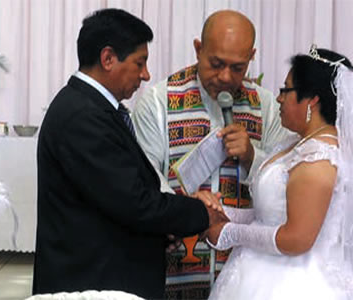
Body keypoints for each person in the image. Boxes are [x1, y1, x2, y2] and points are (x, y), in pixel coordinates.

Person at [32, 9, 227, 299]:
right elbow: (134, 202)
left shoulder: (94, 108)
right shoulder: (82, 117)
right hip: (92, 278)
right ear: (108, 58)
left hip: (107, 269)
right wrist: (202, 213)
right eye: (140, 63)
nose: (145, 75)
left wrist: (166, 227)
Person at [204, 46, 353, 299]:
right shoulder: (298, 144)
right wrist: (224, 215)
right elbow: (277, 213)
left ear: (312, 100)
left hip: (294, 282)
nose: (279, 99)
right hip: (264, 269)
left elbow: (297, 238)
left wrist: (231, 233)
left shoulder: (319, 157)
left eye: (286, 90)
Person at [131, 10, 289, 298]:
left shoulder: (266, 106)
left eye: (238, 68)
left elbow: (284, 184)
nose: (226, 77)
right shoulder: (158, 101)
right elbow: (144, 178)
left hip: (244, 269)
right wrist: (184, 206)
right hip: (175, 261)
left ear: (251, 57)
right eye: (216, 64)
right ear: (198, 49)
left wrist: (253, 156)